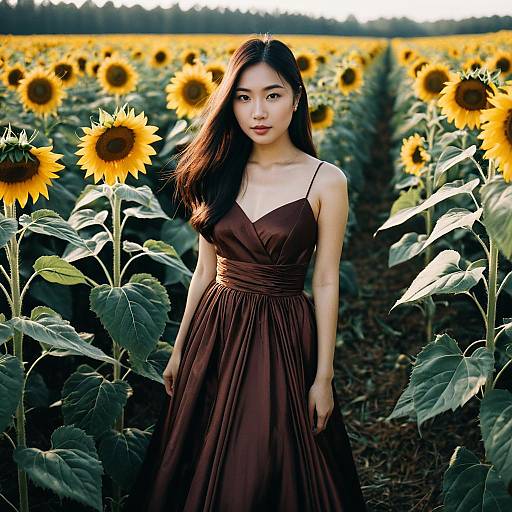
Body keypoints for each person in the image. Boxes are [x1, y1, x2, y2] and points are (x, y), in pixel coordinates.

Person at [123, 33, 367, 512]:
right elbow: (203, 271)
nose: (259, 112)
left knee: (271, 452)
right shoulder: (216, 172)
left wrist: (324, 377)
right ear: (230, 103)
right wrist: (179, 350)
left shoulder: (326, 179)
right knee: (197, 452)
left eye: (273, 95)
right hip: (216, 330)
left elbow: (324, 280)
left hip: (283, 332)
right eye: (244, 97)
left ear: (297, 100)